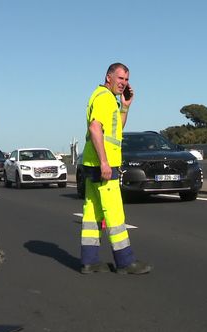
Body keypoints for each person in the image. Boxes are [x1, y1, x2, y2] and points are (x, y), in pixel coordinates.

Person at [80, 63, 153, 275]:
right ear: (108, 77)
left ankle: (89, 261)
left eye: (127, 80)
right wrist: (104, 162)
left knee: (92, 213)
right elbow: (95, 128)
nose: (124, 84)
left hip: (92, 164)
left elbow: (117, 128)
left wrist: (126, 106)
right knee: (114, 213)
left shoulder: (103, 97)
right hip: (104, 165)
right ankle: (125, 261)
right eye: (120, 78)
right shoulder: (104, 97)